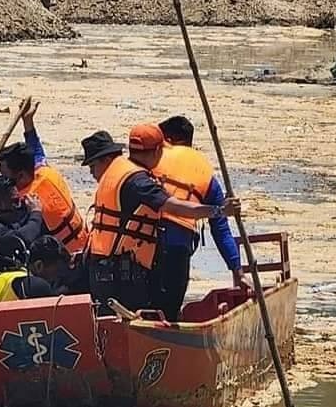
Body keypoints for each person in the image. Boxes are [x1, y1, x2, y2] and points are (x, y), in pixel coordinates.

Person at [80, 130, 239, 314]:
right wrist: (219, 211)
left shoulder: (123, 177)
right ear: (157, 151)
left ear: (106, 160)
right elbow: (175, 207)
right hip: (120, 276)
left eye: (92, 166)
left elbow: (171, 207)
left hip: (104, 272)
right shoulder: (133, 179)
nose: (92, 173)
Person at [128, 120, 245, 321]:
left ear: (167, 140)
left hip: (139, 245)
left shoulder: (149, 159)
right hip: (176, 250)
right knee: (168, 316)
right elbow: (221, 229)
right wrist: (237, 270)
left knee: (138, 310)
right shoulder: (205, 173)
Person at [0, 101, 89, 253]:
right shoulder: (45, 172)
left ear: (20, 175)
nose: (2, 181)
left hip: (66, 260)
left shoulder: (28, 201)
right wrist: (28, 121)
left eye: (5, 176)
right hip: (84, 242)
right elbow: (36, 151)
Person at [0, 236, 70, 302]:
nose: (59, 277)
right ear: (39, 265)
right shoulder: (35, 285)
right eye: (58, 271)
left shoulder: (7, 276)